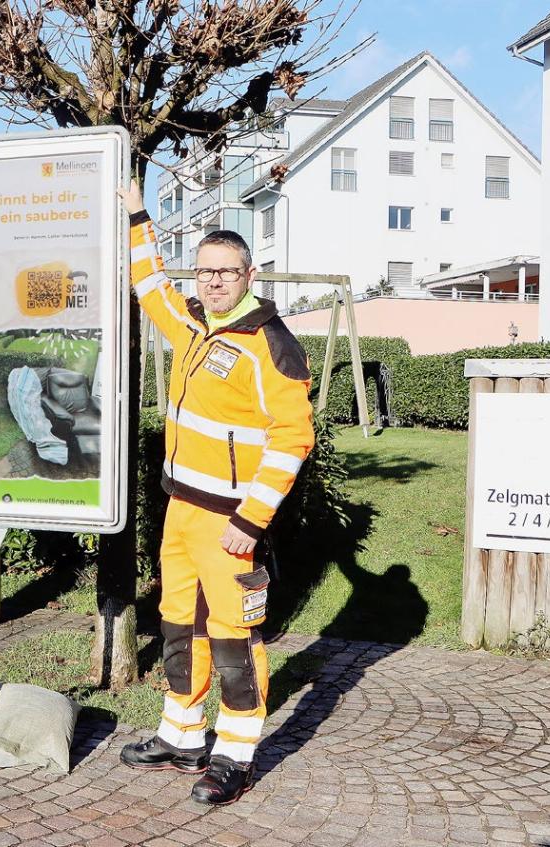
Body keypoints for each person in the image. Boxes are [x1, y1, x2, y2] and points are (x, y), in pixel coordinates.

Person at [117, 181, 315, 805]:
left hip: (230, 523)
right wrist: (139, 215)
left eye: (226, 272)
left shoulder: (271, 345)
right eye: (205, 271)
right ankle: (182, 735)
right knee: (180, 623)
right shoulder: (193, 325)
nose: (214, 282)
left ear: (249, 274)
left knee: (234, 638)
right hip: (181, 508)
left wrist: (251, 521)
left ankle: (235, 756)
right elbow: (149, 284)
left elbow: (293, 439)